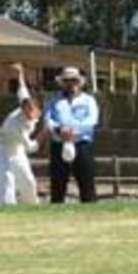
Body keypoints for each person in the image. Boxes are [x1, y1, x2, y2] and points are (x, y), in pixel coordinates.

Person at [0, 64, 43, 206]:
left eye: (33, 109)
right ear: (23, 109)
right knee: (7, 177)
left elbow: (22, 89)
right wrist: (45, 133)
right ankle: (7, 207)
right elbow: (30, 147)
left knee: (28, 180)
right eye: (28, 111)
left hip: (16, 148)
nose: (31, 114)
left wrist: (20, 73)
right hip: (1, 147)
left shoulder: (27, 102)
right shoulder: (15, 123)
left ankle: (32, 206)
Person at [44, 66, 100, 204]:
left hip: (82, 145)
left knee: (86, 183)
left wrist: (71, 131)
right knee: (57, 185)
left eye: (74, 80)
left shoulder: (89, 100)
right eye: (67, 80)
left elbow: (91, 121)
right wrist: (58, 130)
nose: (71, 84)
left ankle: (91, 214)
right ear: (63, 82)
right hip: (59, 144)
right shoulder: (53, 100)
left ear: (79, 82)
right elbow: (47, 120)